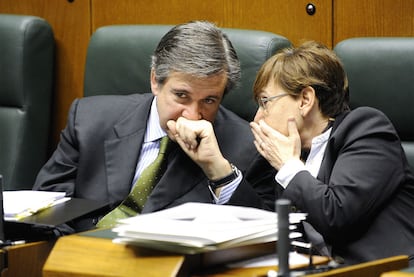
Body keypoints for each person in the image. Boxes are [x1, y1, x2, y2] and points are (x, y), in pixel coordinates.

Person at [33, 21, 274, 232]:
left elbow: (266, 235)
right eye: (181, 95)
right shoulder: (89, 119)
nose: (192, 114)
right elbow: (44, 208)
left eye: (209, 100)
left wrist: (219, 171)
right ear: (155, 81)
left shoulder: (247, 150)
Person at [247, 41, 414, 266]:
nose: (258, 118)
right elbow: (256, 225)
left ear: (305, 100)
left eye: (265, 102)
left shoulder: (366, 130)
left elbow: (337, 215)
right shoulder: (283, 152)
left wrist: (289, 166)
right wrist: (219, 170)